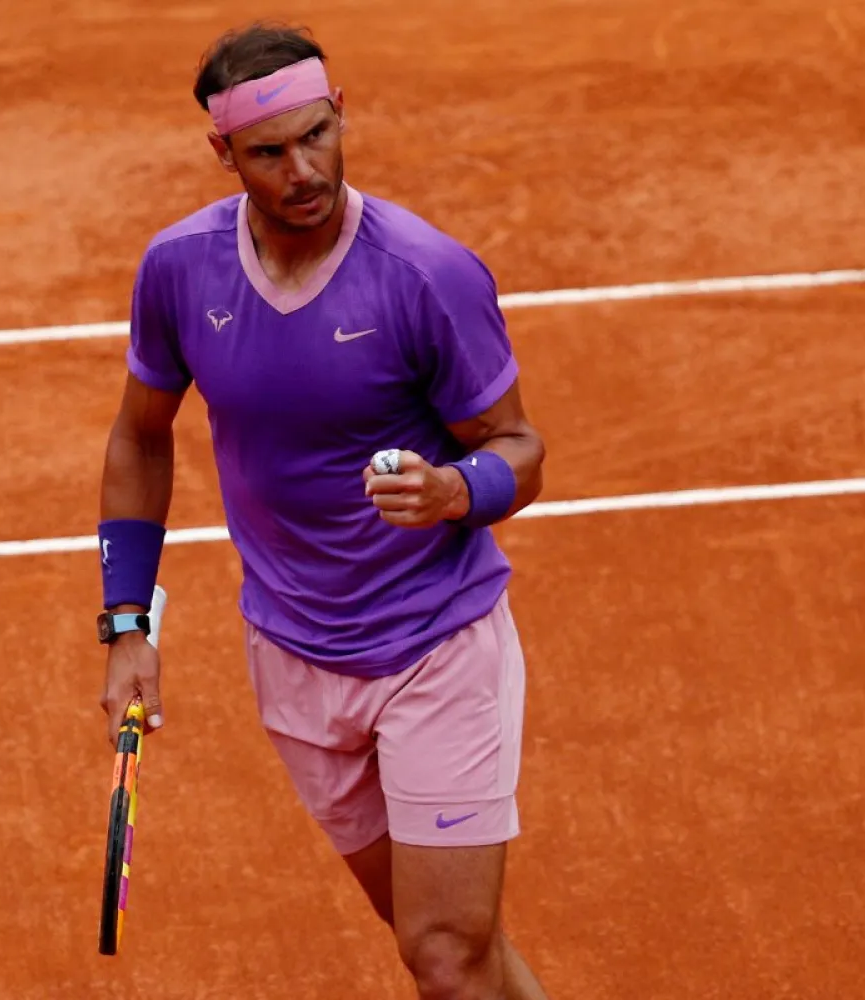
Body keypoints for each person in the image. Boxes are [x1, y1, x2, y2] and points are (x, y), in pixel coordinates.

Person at [92, 20, 551, 1000]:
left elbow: (520, 446)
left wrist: (455, 490)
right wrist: (127, 625)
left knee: (445, 955)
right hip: (295, 659)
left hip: (435, 647)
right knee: (447, 948)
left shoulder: (425, 275)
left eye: (318, 135)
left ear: (340, 114)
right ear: (224, 153)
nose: (304, 170)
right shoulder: (180, 270)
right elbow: (139, 435)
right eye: (270, 151)